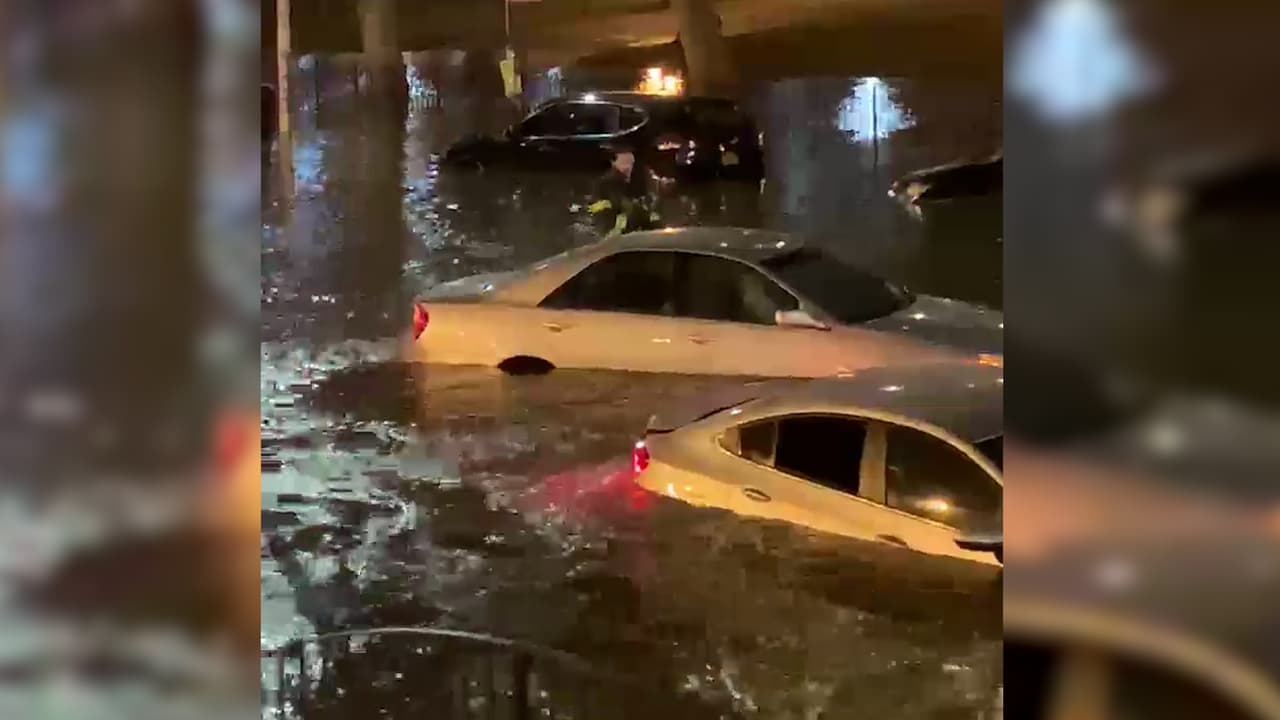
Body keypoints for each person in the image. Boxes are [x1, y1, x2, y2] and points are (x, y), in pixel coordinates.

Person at [587, 147, 660, 237]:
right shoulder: (604, 185)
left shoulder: (635, 183)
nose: (628, 167)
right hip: (617, 238)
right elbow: (600, 213)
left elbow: (642, 210)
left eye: (631, 163)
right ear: (613, 163)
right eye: (624, 163)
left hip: (635, 235)